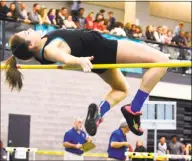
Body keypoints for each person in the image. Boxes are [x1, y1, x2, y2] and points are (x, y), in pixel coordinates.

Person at [4, 27, 169, 136]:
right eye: (27, 33)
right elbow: (62, 57)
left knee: (121, 89)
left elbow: (57, 54)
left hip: (96, 59)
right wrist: (78, 60)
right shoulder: (48, 49)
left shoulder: (40, 52)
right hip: (105, 50)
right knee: (162, 61)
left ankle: (98, 113)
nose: (30, 29)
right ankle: (134, 110)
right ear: (31, 44)